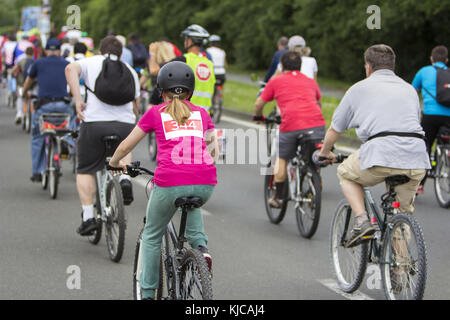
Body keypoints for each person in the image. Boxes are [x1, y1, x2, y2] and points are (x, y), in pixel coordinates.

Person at [109, 61, 217, 300]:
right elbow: (214, 150)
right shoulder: (202, 113)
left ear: (162, 90)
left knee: (151, 235)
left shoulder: (155, 113)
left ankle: (147, 294)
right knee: (193, 200)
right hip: (206, 181)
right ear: (190, 90)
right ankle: (201, 250)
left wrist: (114, 163)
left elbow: (127, 145)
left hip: (169, 182)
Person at [319, 44, 430, 246]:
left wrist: (325, 153)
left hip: (380, 154)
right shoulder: (409, 90)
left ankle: (362, 221)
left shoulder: (358, 89)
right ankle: (401, 271)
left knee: (345, 172)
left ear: (368, 67)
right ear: (392, 66)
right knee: (401, 216)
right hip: (416, 158)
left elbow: (335, 129)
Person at [65, 35, 140, 236]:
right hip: (124, 125)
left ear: (100, 50)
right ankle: (125, 179)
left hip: (94, 124)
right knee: (125, 147)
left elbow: (70, 69)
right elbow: (136, 105)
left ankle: (88, 217)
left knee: (86, 169)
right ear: (121, 53)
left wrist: (78, 99)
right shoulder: (130, 70)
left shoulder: (91, 62)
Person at [254, 51, 326, 208]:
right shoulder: (310, 81)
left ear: (282, 65)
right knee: (313, 157)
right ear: (299, 66)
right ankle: (313, 183)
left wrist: (258, 117)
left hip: (291, 125)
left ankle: (278, 197)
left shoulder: (276, 81)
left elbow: (259, 104)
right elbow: (318, 102)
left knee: (282, 158)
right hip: (317, 124)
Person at [22, 38, 74, 183]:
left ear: (45, 50)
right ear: (59, 51)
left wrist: (24, 92)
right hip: (63, 105)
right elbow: (72, 84)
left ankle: (37, 171)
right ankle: (67, 143)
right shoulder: (66, 64)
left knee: (38, 135)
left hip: (44, 106)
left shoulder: (38, 63)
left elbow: (28, 81)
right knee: (72, 127)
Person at [148, 24, 215, 111]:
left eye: (185, 39)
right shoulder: (209, 63)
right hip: (205, 113)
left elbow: (154, 70)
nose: (184, 42)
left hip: (187, 112)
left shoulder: (184, 60)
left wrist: (152, 53)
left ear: (190, 41)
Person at [412, 45, 450, 194]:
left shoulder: (424, 71)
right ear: (446, 60)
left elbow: (412, 92)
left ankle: (419, 184)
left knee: (424, 147)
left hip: (431, 116)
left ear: (431, 59)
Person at [11, 46, 35, 124]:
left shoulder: (21, 60)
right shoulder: (35, 62)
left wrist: (14, 76)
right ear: (33, 53)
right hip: (32, 85)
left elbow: (13, 70)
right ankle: (33, 115)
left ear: (26, 53)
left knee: (20, 98)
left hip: (22, 83)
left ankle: (19, 114)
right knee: (33, 99)